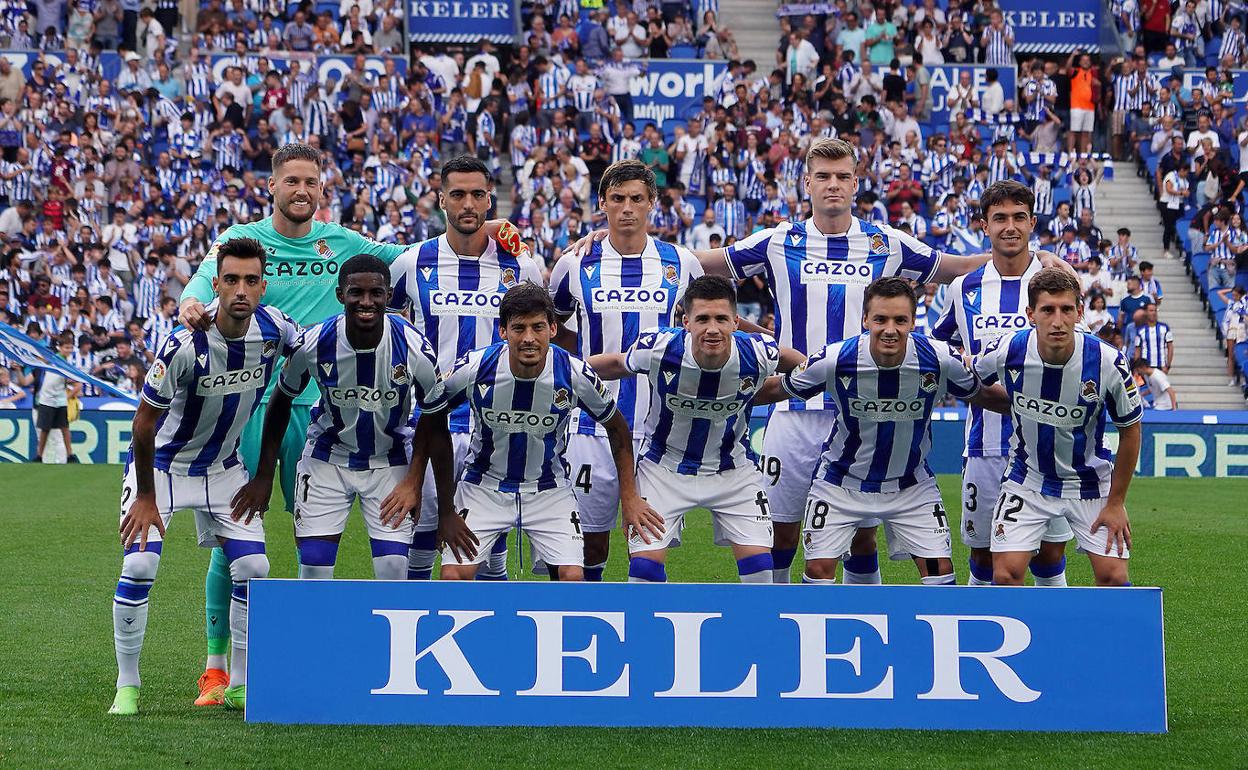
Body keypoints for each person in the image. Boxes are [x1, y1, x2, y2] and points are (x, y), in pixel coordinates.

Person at [176, 143, 527, 707]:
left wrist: (488, 225)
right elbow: (197, 298)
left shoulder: (344, 245)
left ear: (322, 188)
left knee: (344, 548)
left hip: (330, 412)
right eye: (291, 180)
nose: (302, 190)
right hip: (256, 406)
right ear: (272, 186)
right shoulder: (241, 243)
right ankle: (218, 666)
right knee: (235, 534)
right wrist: (190, 309)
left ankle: (370, 664)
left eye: (311, 182)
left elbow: (425, 253)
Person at [108, 237, 300, 716]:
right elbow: (143, 423)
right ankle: (127, 685)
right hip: (163, 470)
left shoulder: (276, 330)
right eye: (231, 280)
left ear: (264, 286)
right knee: (139, 567)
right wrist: (147, 498)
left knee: (255, 569)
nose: (241, 289)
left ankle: (237, 681)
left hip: (224, 469)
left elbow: (316, 351)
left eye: (251, 281)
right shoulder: (184, 343)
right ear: (216, 285)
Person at [231, 255, 453, 582]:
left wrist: (413, 480)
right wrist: (265, 475)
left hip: (389, 461)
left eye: (376, 293)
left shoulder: (413, 347)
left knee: (393, 571)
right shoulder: (315, 343)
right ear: (340, 296)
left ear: (389, 296)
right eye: (356, 293)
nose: (366, 301)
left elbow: (434, 418)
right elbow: (282, 398)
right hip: (327, 460)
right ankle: (319, 633)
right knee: (314, 569)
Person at [773, 276, 1005, 585]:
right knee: (817, 573)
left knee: (940, 576)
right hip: (841, 483)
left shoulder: (939, 358)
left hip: (911, 486)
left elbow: (982, 394)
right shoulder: (835, 359)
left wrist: (1030, 406)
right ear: (865, 319)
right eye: (880, 319)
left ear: (912, 321)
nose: (890, 329)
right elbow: (779, 388)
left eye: (900, 320)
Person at [432, 283, 656, 580]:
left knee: (572, 577)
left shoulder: (574, 372)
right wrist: (446, 510)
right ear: (503, 331)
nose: (528, 338)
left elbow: (616, 427)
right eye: (518, 328)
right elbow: (431, 419)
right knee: (452, 577)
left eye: (538, 327)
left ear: (552, 328)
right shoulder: (475, 368)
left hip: (549, 490)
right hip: (482, 487)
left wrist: (629, 497)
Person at [388, 155, 544, 582]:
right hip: (430, 423)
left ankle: (491, 640)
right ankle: (415, 632)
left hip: (496, 423)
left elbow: (542, 333)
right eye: (458, 194)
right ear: (442, 200)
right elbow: (376, 322)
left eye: (478, 194)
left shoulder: (520, 267)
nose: (468, 203)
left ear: (491, 201)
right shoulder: (412, 262)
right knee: (419, 539)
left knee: (488, 547)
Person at [588, 276, 803, 583]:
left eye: (721, 319)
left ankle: (756, 630)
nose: (712, 329)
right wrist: (564, 370)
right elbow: (614, 363)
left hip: (734, 471)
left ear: (736, 322)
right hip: (664, 469)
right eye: (702, 319)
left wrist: (815, 375)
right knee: (643, 572)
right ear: (686, 322)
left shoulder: (758, 353)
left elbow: (793, 362)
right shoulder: (660, 348)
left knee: (759, 571)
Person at [548, 160, 703, 581]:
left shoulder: (682, 264)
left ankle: (642, 639)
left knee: (648, 549)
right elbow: (551, 327)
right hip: (590, 429)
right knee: (587, 544)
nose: (627, 208)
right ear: (602, 204)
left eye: (637, 198)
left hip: (659, 431)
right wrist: (576, 367)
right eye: (617, 199)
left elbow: (708, 322)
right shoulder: (574, 264)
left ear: (653, 203)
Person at [931, 181, 1074, 587]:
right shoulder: (964, 288)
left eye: (1018, 217)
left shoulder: (1055, 281)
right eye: (999, 219)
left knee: (1048, 554)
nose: (1009, 227)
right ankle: (983, 636)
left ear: (1032, 222)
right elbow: (941, 344)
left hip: (1049, 443)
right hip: (985, 443)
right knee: (984, 552)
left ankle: (1048, 639)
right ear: (984, 226)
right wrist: (956, 365)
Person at [974, 268, 1142, 587]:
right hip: (1028, 477)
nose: (1058, 320)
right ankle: (1024, 637)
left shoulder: (1108, 361)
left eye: (1067, 309)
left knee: (1115, 579)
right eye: (1047, 310)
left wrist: (1117, 502)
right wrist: (1011, 402)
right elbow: (972, 383)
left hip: (1090, 482)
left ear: (1080, 312)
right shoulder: (1008, 350)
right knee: (1005, 574)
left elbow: (1131, 430)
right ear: (1030, 314)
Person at [31, 332, 81, 463]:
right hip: (47, 398)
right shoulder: (55, 359)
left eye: (70, 348)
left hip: (60, 398)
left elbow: (66, 378)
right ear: (60, 347)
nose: (68, 350)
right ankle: (40, 455)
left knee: (64, 428)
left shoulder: (65, 362)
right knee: (45, 429)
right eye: (66, 347)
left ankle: (70, 455)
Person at [1133, 301, 1174, 372]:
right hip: (1145, 367)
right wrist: (1137, 368)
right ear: (1146, 312)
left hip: (1161, 366)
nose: (1154, 313)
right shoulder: (1140, 330)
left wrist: (1168, 365)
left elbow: (1170, 347)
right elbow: (1137, 350)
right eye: (1151, 311)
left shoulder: (1165, 328)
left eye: (1155, 310)